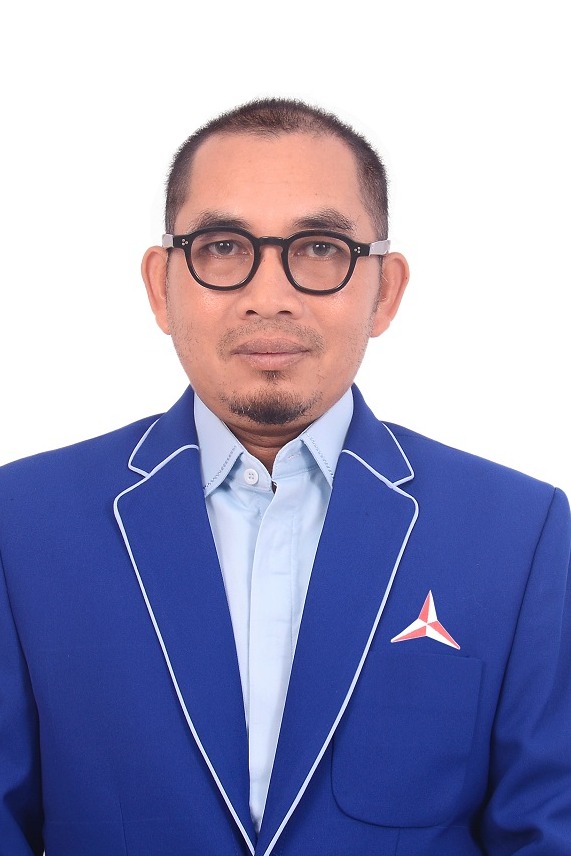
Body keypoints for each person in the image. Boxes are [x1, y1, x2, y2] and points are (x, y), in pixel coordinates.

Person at [0, 98, 570, 856]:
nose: (268, 298)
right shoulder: (23, 524)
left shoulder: (519, 534)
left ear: (385, 290)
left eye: (320, 248)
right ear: (161, 285)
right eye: (223, 246)